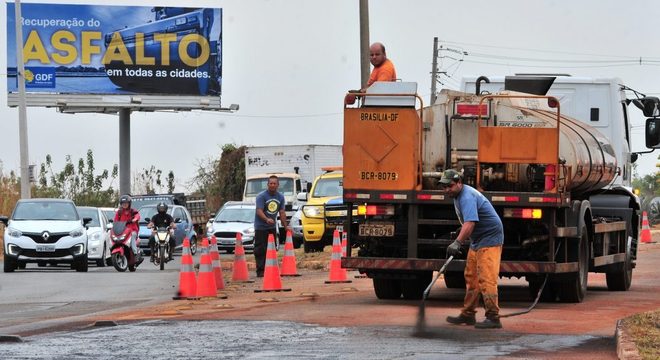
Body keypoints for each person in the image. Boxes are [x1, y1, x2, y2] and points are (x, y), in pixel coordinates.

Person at [440, 169, 505, 329]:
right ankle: (468, 314)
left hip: (489, 239)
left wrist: (457, 242)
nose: (447, 189)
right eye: (444, 186)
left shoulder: (466, 196)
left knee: (487, 277)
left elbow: (470, 223)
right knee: (471, 277)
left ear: (459, 183)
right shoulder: (457, 196)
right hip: (478, 239)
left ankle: (493, 317)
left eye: (450, 186)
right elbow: (468, 222)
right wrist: (461, 232)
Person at [254, 175, 289, 277]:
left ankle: (271, 270)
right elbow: (259, 211)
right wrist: (266, 219)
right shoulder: (261, 196)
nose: (272, 185)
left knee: (271, 250)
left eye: (274, 183)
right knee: (260, 250)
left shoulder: (280, 197)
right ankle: (260, 271)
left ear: (278, 185)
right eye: (271, 183)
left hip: (272, 228)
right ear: (267, 184)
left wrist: (285, 226)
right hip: (261, 227)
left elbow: (282, 212)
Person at [114, 194, 142, 262]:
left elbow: (137, 216)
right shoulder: (119, 212)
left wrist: (134, 219)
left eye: (126, 203)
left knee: (132, 236)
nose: (124, 204)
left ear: (129, 203)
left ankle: (135, 254)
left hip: (132, 230)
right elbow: (115, 221)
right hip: (122, 231)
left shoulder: (133, 211)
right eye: (123, 203)